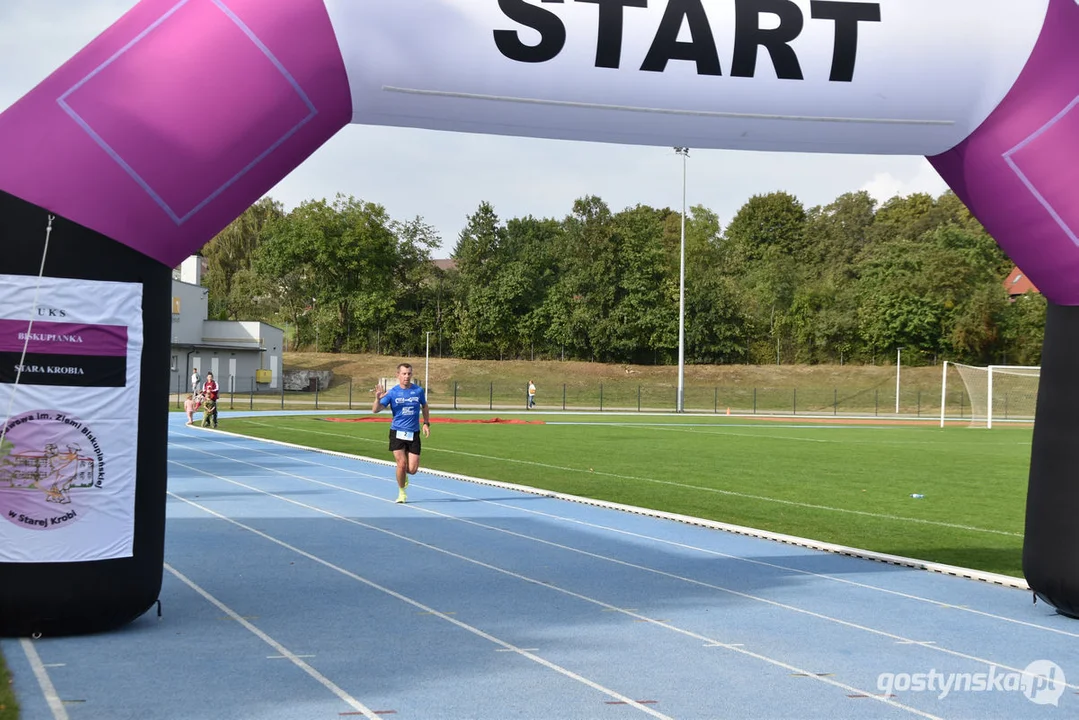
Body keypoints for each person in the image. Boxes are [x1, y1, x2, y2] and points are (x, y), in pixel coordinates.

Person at [372, 362, 430, 503]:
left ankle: (404, 475)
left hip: (413, 433)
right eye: (404, 373)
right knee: (401, 464)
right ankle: (401, 493)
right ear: (398, 375)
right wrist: (377, 398)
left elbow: (425, 406)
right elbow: (375, 409)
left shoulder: (418, 391)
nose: (406, 376)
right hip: (397, 431)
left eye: (409, 373)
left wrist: (426, 423)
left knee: (412, 469)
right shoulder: (393, 392)